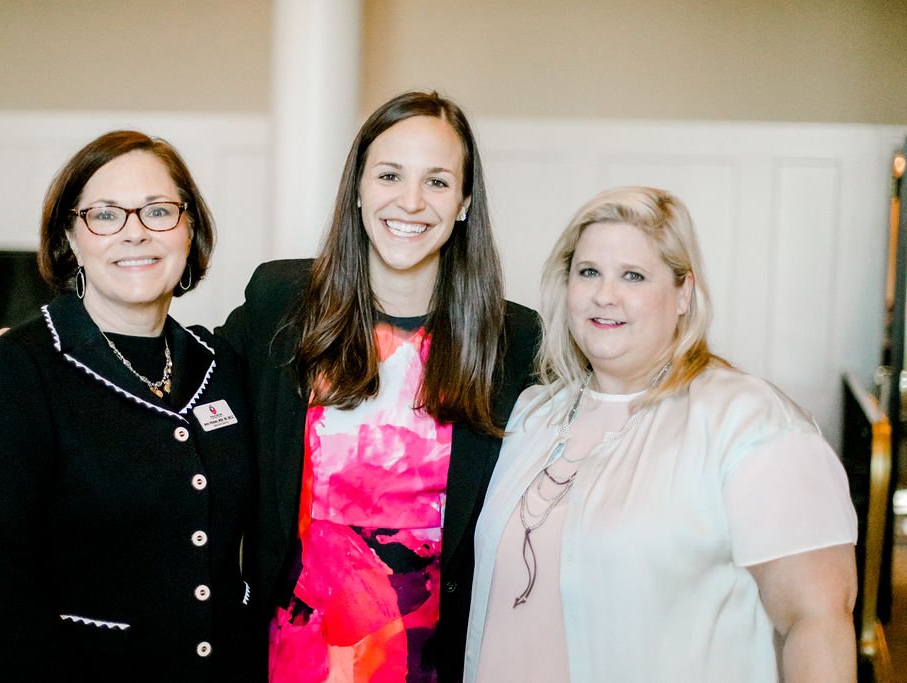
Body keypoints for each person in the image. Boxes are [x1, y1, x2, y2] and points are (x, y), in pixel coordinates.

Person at [465, 186, 858, 682]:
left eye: (634, 275)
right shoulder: (532, 415)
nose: (605, 295)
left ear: (683, 294)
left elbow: (816, 621)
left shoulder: (749, 422)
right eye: (589, 272)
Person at [217, 91, 541, 682]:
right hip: (287, 662)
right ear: (359, 188)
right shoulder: (280, 302)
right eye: (390, 175)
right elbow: (184, 383)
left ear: (465, 202)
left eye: (438, 182)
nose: (411, 201)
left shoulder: (513, 338)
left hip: (435, 665)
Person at [0, 131, 253, 681]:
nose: (135, 233)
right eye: (106, 215)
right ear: (71, 237)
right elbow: (1, 583)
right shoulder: (19, 368)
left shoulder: (221, 364)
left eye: (159, 211)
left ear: (189, 229)